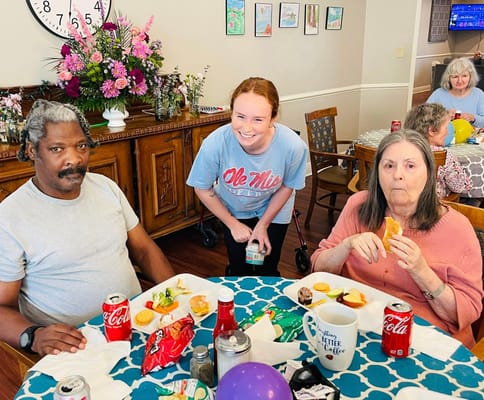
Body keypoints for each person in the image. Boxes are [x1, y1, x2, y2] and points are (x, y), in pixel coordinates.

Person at [0, 100, 175, 356]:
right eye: (57, 149)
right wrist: (34, 336)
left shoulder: (105, 187)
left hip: (137, 325)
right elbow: (2, 307)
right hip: (77, 347)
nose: (74, 159)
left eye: (81, 145)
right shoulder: (10, 217)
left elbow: (144, 249)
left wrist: (177, 294)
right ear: (32, 150)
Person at [311, 129, 482, 349]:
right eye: (389, 166)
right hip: (356, 328)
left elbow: (466, 314)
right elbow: (317, 269)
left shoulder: (458, 229)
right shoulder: (358, 205)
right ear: (377, 173)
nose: (397, 175)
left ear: (429, 174)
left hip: (425, 342)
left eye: (410, 166)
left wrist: (422, 272)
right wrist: (346, 245)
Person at [186, 77, 308, 277]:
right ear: (231, 112)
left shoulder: (293, 147)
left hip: (275, 206)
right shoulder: (215, 144)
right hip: (235, 207)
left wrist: (263, 224)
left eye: (258, 119)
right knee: (238, 267)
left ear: (273, 117)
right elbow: (202, 187)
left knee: (268, 266)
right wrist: (232, 223)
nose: (247, 128)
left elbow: (287, 186)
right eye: (240, 116)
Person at [404, 103, 472, 199]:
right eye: (446, 127)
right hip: (433, 207)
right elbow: (459, 187)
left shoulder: (400, 149)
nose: (448, 132)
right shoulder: (444, 156)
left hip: (401, 202)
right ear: (432, 131)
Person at [427, 57, 484, 128]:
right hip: (444, 136)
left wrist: (473, 118)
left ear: (470, 77)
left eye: (464, 76)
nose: (460, 81)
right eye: (455, 76)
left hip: (472, 137)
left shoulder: (478, 94)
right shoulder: (438, 94)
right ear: (448, 78)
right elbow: (423, 118)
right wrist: (442, 116)